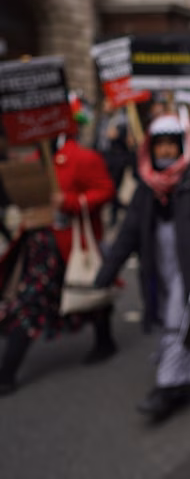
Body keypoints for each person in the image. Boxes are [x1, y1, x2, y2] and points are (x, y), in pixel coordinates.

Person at [94, 115, 190, 421]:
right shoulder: (147, 186)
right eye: (159, 145)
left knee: (178, 322)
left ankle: (170, 386)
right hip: (159, 266)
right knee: (168, 318)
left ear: (182, 146)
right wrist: (108, 270)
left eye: (171, 144)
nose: (164, 151)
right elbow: (129, 232)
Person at [0, 120, 117, 395]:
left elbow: (105, 190)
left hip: (70, 243)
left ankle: (105, 341)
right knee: (31, 301)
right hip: (40, 245)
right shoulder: (33, 161)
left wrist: (71, 202)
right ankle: (7, 372)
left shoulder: (82, 158)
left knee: (86, 289)